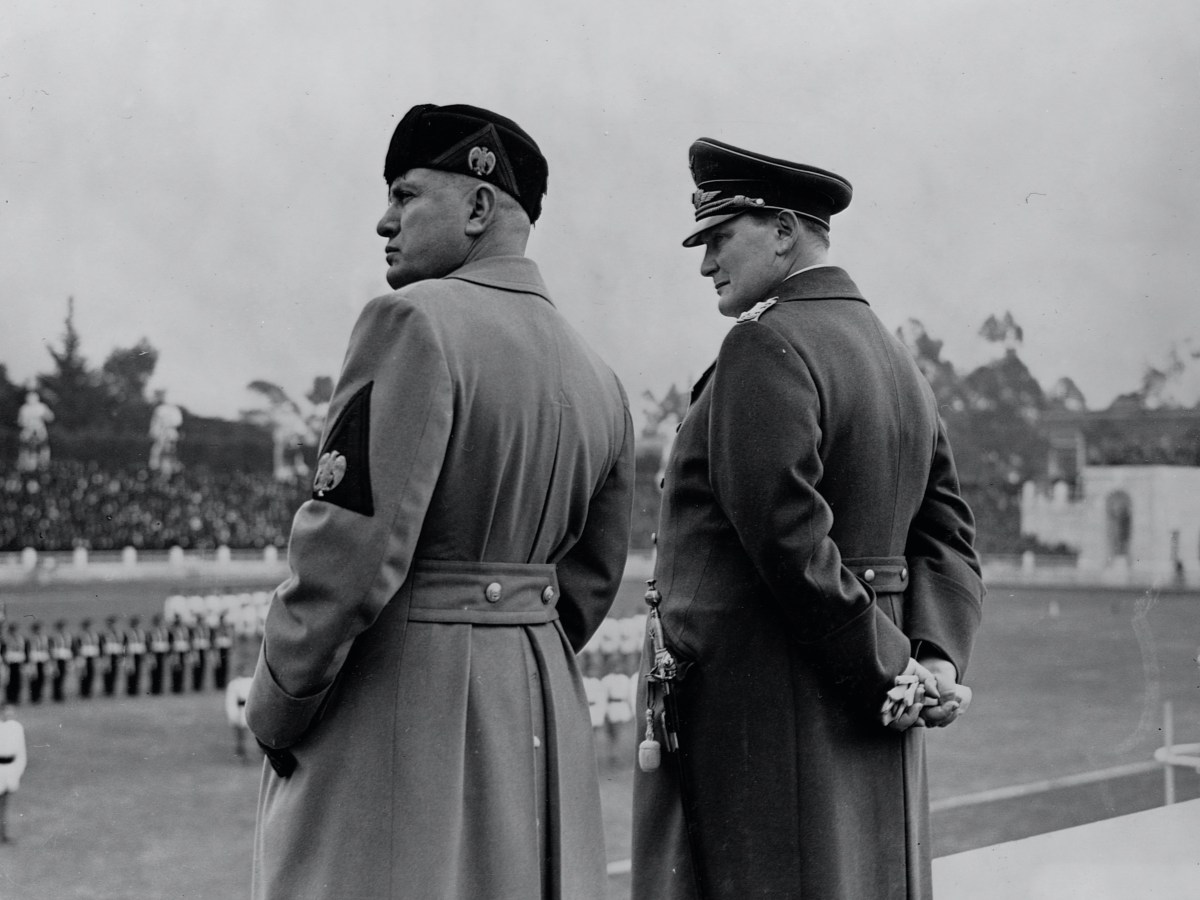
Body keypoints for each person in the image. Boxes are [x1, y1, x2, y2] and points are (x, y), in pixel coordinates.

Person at [245, 103, 634, 900]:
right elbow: (591, 580)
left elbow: (344, 554)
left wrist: (278, 706)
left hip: (402, 715)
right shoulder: (601, 376)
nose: (384, 221)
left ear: (480, 206)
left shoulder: (411, 322)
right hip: (538, 708)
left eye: (405, 194)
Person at [630, 138, 985, 900]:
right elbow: (950, 538)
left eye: (720, 237)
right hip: (871, 707)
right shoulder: (899, 362)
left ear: (784, 232)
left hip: (771, 716)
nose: (705, 263)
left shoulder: (764, 344)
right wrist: (933, 663)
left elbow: (789, 540)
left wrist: (892, 671)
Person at [0, 705, 26, 844]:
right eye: (6, 712)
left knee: (3, 804)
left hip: (9, 770)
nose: (9, 715)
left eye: (12, 713)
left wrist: (17, 772)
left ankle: (3, 834)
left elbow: (21, 753)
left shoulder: (17, 728)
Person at [74, 618, 101, 699]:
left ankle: (88, 691)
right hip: (83, 657)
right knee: (83, 675)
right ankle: (83, 691)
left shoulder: (94, 634)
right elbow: (77, 647)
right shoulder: (81, 635)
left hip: (92, 657)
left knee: (91, 674)